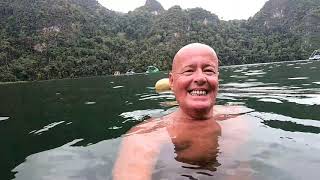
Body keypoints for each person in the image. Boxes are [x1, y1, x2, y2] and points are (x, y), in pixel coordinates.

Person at [113, 43, 251, 180]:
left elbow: (244, 168)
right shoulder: (147, 134)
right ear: (172, 81)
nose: (200, 78)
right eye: (188, 71)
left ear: (217, 79)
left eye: (208, 71)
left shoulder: (236, 116)